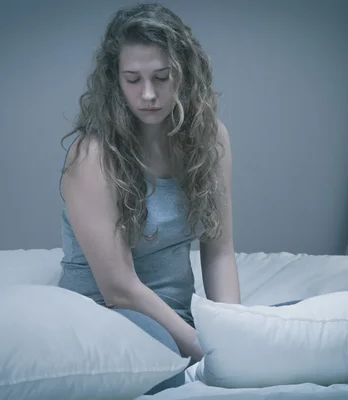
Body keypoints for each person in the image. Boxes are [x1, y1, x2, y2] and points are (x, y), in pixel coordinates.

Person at [57, 2, 241, 393]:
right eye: (132, 79)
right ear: (114, 81)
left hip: (181, 317)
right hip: (111, 314)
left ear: (185, 74)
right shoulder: (93, 156)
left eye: (162, 77)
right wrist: (204, 349)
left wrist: (234, 333)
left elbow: (219, 251)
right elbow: (120, 288)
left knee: (298, 332)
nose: (148, 94)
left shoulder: (212, 140)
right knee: (164, 369)